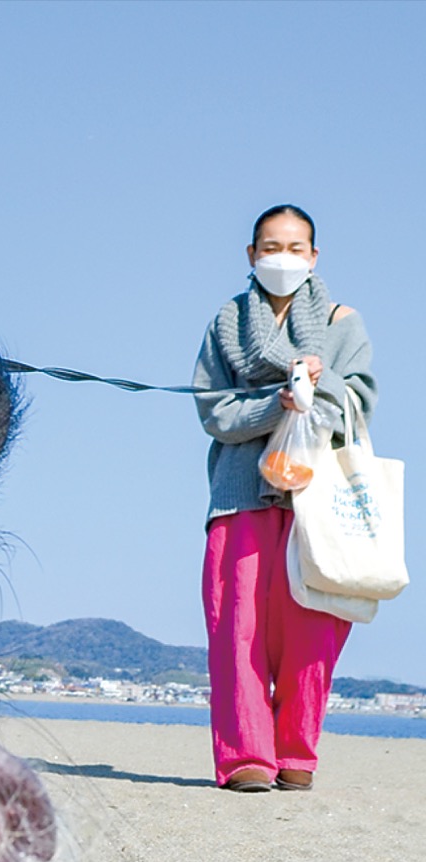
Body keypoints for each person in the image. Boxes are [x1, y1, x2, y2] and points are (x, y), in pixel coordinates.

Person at [193, 205, 377, 791]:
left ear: (315, 256)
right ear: (251, 255)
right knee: (236, 628)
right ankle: (246, 757)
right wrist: (279, 400)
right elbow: (216, 412)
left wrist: (316, 394)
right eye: (272, 247)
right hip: (239, 495)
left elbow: (358, 403)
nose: (283, 258)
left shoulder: (342, 322)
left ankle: (297, 753)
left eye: (296, 248)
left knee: (312, 629)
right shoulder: (225, 323)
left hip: (315, 499)